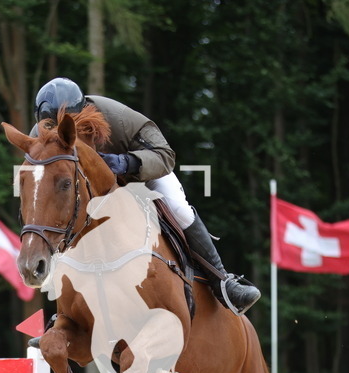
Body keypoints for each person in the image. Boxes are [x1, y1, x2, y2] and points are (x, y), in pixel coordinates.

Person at [31, 77, 261, 315]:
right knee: (65, 220)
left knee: (178, 209)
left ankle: (223, 282)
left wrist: (125, 162)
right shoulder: (39, 133)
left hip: (143, 171)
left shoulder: (117, 118)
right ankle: (65, 314)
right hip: (94, 190)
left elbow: (165, 155)